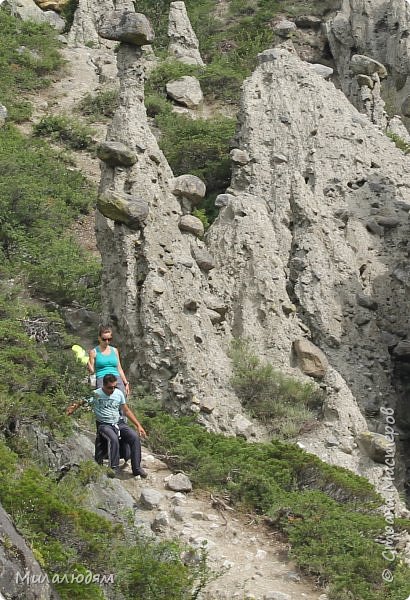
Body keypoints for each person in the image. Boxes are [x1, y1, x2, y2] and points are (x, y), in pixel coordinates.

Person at [66, 373, 148, 479]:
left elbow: (126, 410)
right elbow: (81, 402)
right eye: (110, 387)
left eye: (114, 387)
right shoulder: (96, 394)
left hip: (119, 423)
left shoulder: (118, 394)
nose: (112, 390)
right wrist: (72, 409)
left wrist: (138, 425)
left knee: (134, 437)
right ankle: (113, 468)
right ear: (104, 385)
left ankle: (137, 468)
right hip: (104, 425)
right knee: (113, 439)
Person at [87, 326, 130, 396]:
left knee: (121, 396)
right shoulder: (94, 352)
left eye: (109, 339)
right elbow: (92, 371)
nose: (107, 342)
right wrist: (87, 363)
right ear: (99, 338)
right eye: (104, 339)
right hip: (102, 377)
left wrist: (126, 383)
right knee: (103, 398)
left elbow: (119, 368)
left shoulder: (114, 350)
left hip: (116, 377)